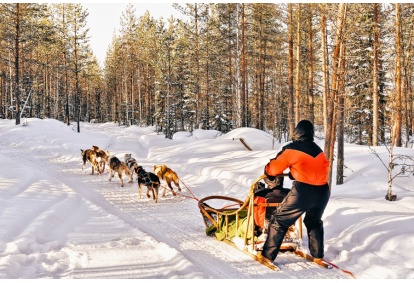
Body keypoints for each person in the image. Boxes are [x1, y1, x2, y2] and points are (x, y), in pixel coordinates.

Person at [258, 120, 330, 264]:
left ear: (296, 132)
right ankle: (318, 256)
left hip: (303, 191)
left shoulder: (291, 149)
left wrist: (268, 171)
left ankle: (267, 256)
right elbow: (312, 168)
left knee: (279, 220)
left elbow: (273, 169)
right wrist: (294, 172)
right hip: (323, 191)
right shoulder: (319, 151)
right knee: (314, 222)